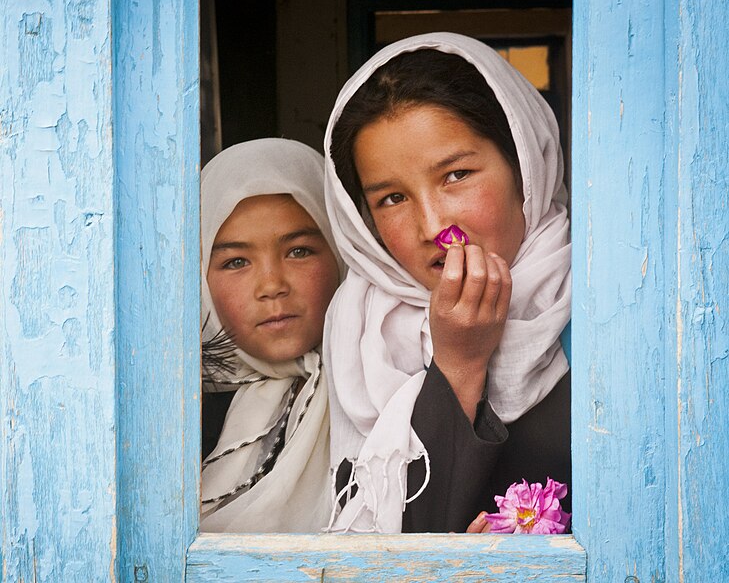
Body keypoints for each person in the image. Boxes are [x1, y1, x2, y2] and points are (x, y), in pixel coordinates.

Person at [322, 32, 571, 533]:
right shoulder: (360, 337)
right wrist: (459, 362)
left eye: (456, 175)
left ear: (525, 163)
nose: (433, 224)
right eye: (391, 198)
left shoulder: (615, 302)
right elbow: (392, 549)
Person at [199, 138, 344, 532]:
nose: (272, 285)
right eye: (236, 261)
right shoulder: (176, 414)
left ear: (342, 250)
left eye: (298, 251)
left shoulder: (381, 384)